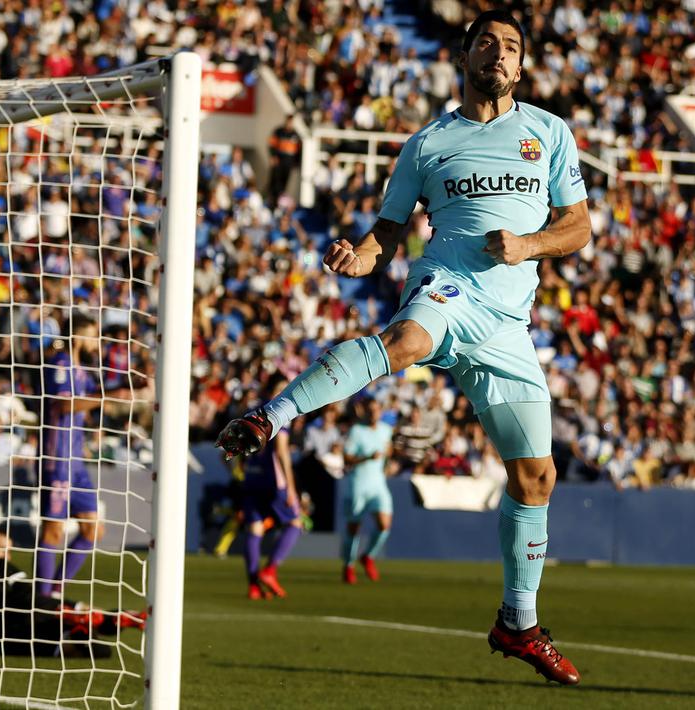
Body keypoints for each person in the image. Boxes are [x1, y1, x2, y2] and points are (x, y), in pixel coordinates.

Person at [216, 10, 588, 685]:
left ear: (522, 64)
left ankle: (517, 623)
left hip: (508, 324)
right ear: (463, 55)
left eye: (510, 47)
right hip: (446, 283)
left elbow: (577, 226)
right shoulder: (428, 144)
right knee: (406, 339)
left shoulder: (548, 133)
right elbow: (387, 231)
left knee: (536, 479)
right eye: (486, 44)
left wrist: (530, 245)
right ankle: (271, 415)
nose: (498, 56)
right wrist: (360, 257)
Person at [0, 528, 144, 657]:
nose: (8, 556)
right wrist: (72, 606)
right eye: (5, 550)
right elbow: (27, 596)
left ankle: (80, 630)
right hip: (19, 617)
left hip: (0, 645)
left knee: (99, 651)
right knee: (39, 603)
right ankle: (90, 617)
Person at [35, 317, 129, 598]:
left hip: (76, 461)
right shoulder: (61, 364)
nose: (96, 341)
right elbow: (64, 404)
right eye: (92, 334)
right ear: (78, 336)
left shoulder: (83, 372)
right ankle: (41, 602)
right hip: (57, 458)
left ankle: (54, 592)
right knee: (53, 531)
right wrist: (109, 397)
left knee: (93, 529)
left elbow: (82, 407)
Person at [239, 378, 303, 600]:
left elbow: (228, 452)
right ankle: (270, 570)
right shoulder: (280, 412)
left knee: (255, 530)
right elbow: (282, 452)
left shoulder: (250, 413)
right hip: (274, 481)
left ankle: (253, 585)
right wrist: (292, 488)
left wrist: (242, 471)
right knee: (295, 522)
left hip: (251, 479)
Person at [341, 397, 395, 584]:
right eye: (370, 410)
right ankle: (348, 565)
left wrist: (388, 463)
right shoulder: (356, 431)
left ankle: (368, 556)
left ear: (381, 411)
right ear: (365, 411)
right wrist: (366, 457)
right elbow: (347, 459)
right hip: (359, 483)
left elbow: (388, 452)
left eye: (376, 410)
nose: (373, 413)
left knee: (384, 525)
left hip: (378, 484)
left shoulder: (386, 430)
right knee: (354, 527)